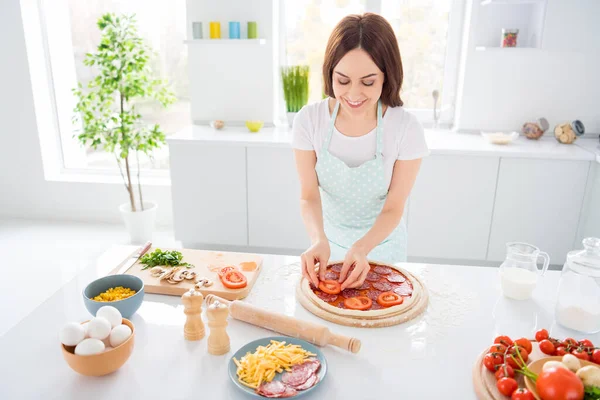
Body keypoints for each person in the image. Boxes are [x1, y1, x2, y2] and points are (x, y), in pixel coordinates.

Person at [292, 13, 430, 291]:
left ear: (386, 77)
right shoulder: (309, 121)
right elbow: (309, 196)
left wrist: (363, 247)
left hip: (383, 249)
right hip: (327, 248)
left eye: (368, 82)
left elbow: (394, 207)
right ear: (330, 74)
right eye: (342, 81)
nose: (353, 94)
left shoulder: (406, 128)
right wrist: (318, 240)